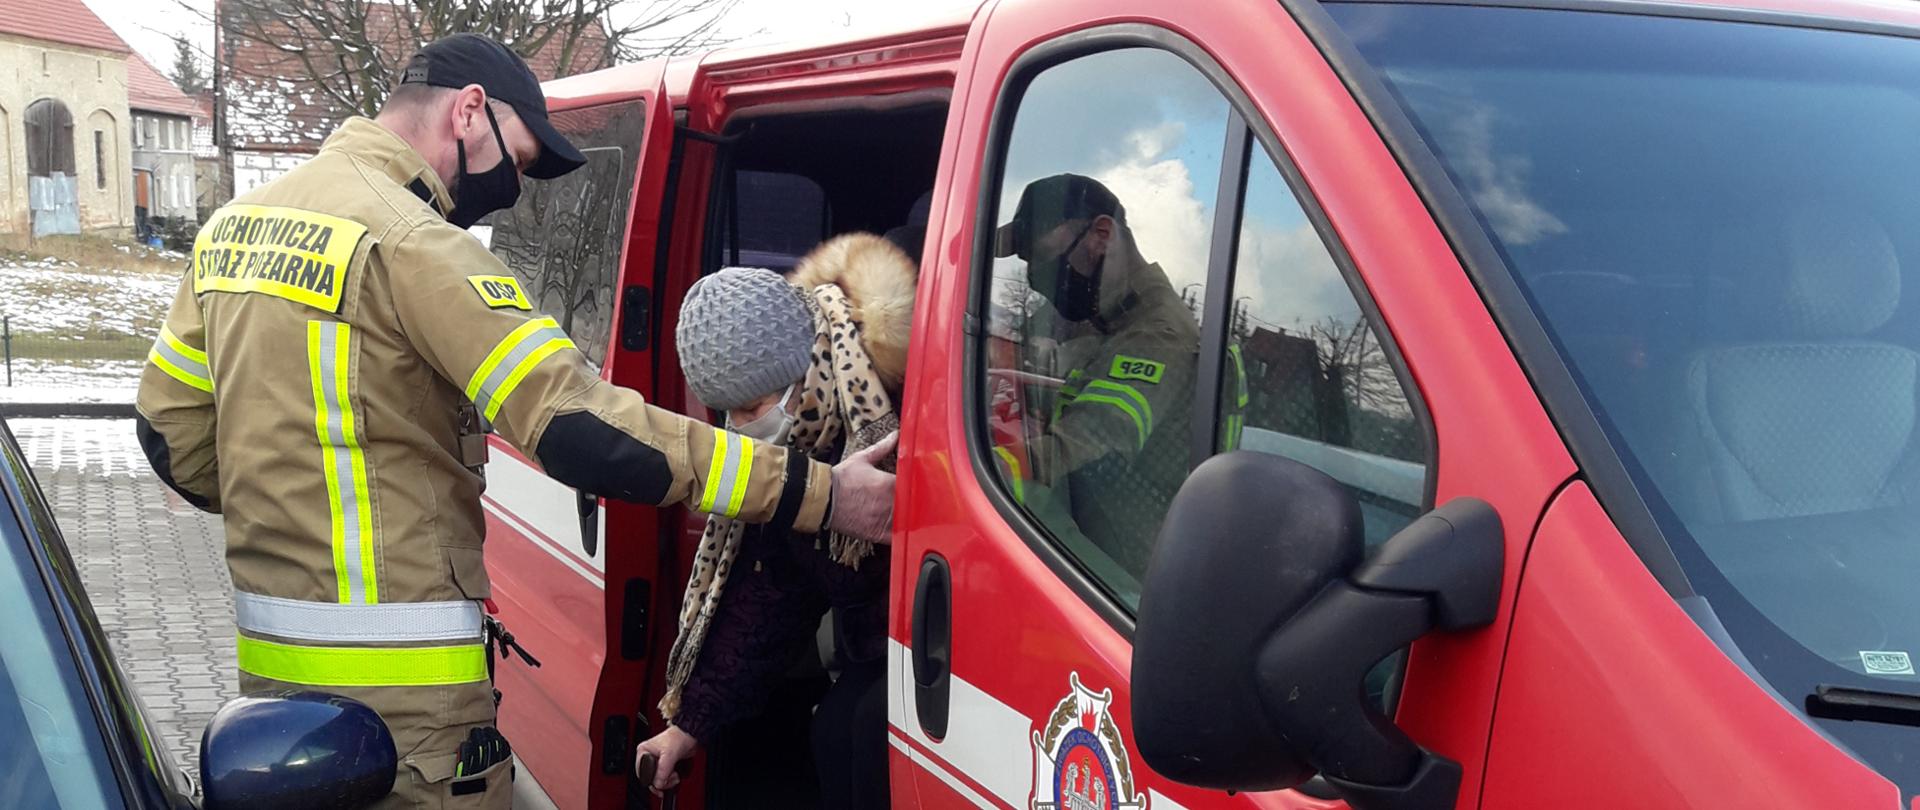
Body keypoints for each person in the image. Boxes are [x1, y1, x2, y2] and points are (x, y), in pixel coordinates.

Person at [132, 34, 895, 808]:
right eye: (521, 160)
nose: (516, 187)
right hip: (408, 713)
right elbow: (580, 428)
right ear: (470, 112)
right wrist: (819, 493)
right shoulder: (416, 245)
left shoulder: (235, 227)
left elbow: (170, 438)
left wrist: (299, 511)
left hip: (277, 702)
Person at [636, 232, 918, 809]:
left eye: (752, 408)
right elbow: (767, 598)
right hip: (874, 655)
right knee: (840, 733)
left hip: (946, 660)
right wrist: (688, 726)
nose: (741, 428)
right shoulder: (796, 458)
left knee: (857, 732)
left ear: (803, 370)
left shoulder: (902, 403)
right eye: (727, 412)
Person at [993, 173, 1202, 575]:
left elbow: (1088, 442)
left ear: (1101, 234)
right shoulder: (1112, 325)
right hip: (1088, 552)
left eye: (1044, 259)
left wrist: (971, 467)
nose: (1038, 278)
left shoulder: (1157, 335)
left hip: (1117, 582)